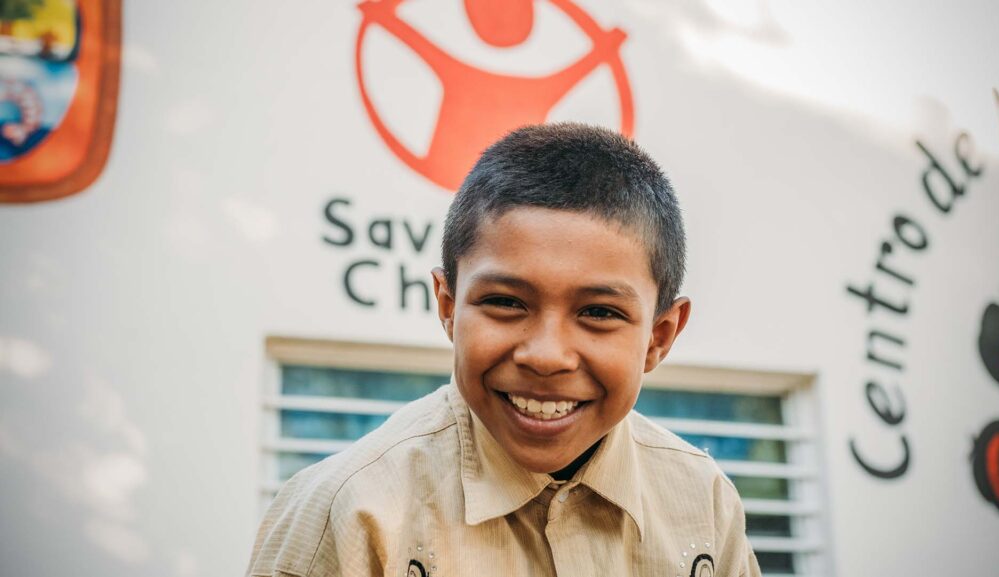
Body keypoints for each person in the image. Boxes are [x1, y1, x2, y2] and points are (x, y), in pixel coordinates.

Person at [247, 123, 761, 577]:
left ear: (659, 336)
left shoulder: (703, 505)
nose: (546, 355)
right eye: (505, 302)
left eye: (599, 312)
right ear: (448, 306)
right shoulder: (349, 511)